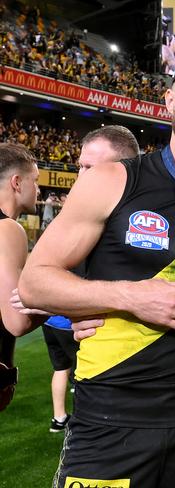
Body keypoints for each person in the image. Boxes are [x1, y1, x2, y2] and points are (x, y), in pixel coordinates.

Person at [18, 45, 175, 488]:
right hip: (110, 416)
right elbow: (34, 282)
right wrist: (129, 296)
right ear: (170, 100)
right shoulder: (113, 180)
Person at [42, 125, 140, 433]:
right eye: (80, 166)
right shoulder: (75, 221)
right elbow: (33, 287)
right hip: (97, 384)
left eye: (90, 168)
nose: (80, 176)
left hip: (143, 384)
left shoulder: (148, 226)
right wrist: (79, 304)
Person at [0, 143, 41, 411]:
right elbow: (17, 320)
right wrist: (70, 300)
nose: (38, 189)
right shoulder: (7, 228)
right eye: (35, 181)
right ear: (17, 182)